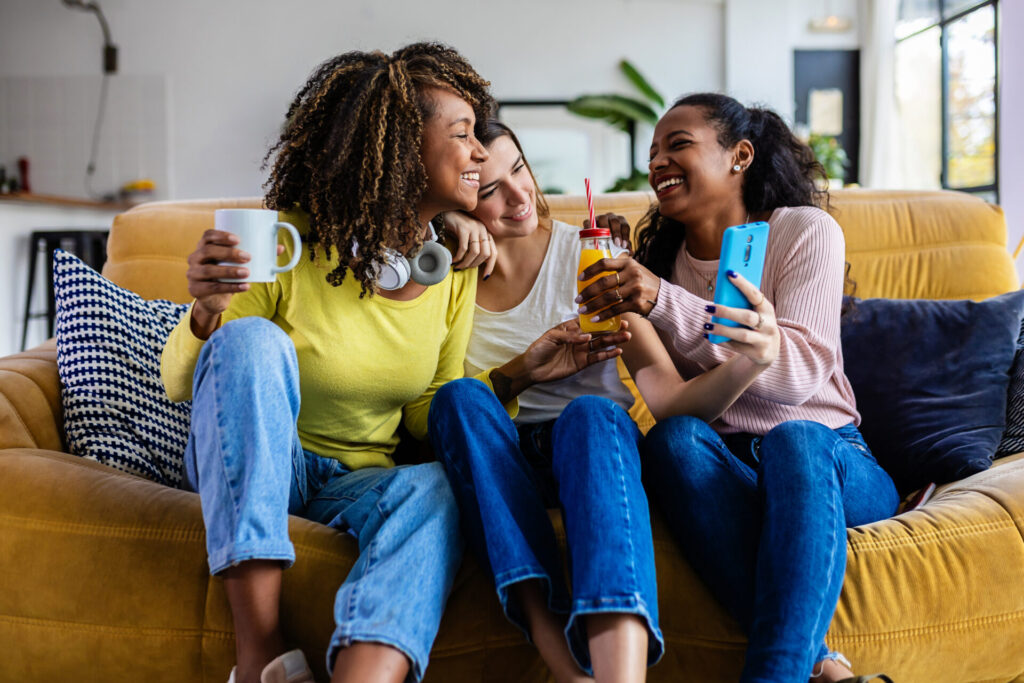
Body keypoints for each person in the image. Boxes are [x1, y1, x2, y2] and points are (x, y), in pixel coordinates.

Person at [161, 43, 507, 683]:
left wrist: (524, 379)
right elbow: (188, 383)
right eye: (463, 135)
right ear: (404, 150)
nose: (482, 153)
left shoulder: (450, 270)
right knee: (253, 342)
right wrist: (207, 311)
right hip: (262, 462)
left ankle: (366, 670)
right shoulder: (282, 244)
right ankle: (261, 657)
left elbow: (431, 407)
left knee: (436, 487)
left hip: (353, 483)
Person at [428, 120, 780, 683]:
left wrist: (753, 360)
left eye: (519, 169)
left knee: (592, 414)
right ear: (459, 193)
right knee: (462, 397)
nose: (519, 196)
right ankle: (561, 660)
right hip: (500, 459)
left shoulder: (593, 256)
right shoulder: (444, 272)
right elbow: (431, 417)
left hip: (594, 450)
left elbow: (668, 398)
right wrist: (519, 374)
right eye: (489, 189)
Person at [574, 93, 900, 683]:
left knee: (793, 440)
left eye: (678, 145)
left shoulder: (804, 231)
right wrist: (653, 294)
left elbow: (800, 375)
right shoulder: (656, 267)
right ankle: (822, 667)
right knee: (670, 443)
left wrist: (663, 302)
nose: (658, 165)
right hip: (727, 472)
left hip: (829, 461)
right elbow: (672, 406)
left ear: (740, 156)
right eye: (652, 155)